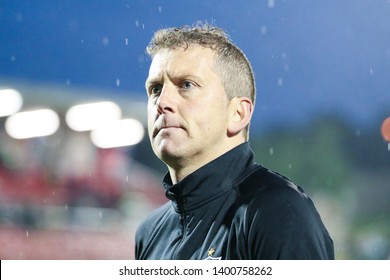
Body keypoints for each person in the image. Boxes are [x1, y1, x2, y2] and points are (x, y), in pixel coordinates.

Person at [135, 23, 334, 260]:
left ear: (238, 113)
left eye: (186, 85)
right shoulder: (149, 234)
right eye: (155, 89)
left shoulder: (277, 211)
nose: (162, 102)